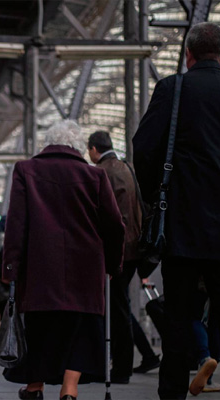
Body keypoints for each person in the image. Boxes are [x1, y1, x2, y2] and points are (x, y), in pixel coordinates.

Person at [133, 22, 220, 399]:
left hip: (183, 226)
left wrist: (158, 194)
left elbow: (144, 149)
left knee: (178, 315)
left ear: (188, 55)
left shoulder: (173, 90)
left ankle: (172, 392)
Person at [2, 120, 125, 400]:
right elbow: (115, 225)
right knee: (81, 328)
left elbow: (16, 224)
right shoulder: (95, 176)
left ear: (48, 143)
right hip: (86, 269)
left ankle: (35, 387)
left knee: (41, 328)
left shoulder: (27, 170)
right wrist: (112, 264)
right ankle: (70, 390)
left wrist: (11, 268)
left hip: (40, 270)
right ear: (78, 146)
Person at [88, 130, 143, 384]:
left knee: (115, 310)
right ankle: (122, 366)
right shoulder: (127, 167)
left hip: (116, 251)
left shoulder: (101, 172)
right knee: (121, 307)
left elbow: (106, 217)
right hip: (134, 248)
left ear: (93, 149)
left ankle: (120, 369)